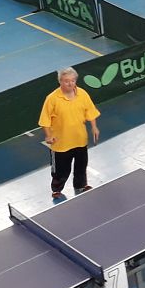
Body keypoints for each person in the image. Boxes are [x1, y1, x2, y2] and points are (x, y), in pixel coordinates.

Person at [38, 68, 100, 200]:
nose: (70, 83)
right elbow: (45, 120)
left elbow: (90, 111)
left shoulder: (82, 93)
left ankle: (81, 185)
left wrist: (94, 127)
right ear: (60, 81)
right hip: (60, 143)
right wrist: (48, 135)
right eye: (67, 81)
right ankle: (56, 189)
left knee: (81, 166)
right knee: (61, 170)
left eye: (73, 80)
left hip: (80, 139)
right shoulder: (52, 98)